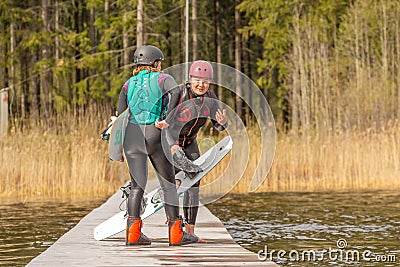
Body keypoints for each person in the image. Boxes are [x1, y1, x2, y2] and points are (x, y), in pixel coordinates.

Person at [117, 45, 198, 246]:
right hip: (154, 133)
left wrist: (117, 148)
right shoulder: (163, 78)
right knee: (168, 184)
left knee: (136, 186)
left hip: (131, 137)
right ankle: (175, 234)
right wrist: (167, 119)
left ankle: (133, 235)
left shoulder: (128, 84)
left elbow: (119, 116)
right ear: (155, 63)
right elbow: (177, 92)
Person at [156, 60, 228, 242]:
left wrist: (223, 123)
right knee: (173, 180)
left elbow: (218, 126)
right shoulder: (179, 93)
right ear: (190, 79)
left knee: (194, 184)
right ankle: (171, 212)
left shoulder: (211, 98)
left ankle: (190, 231)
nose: (201, 85)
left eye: (205, 81)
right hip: (170, 141)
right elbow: (164, 121)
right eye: (197, 80)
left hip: (190, 143)